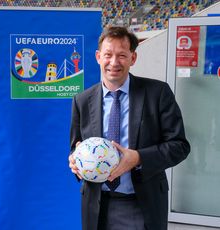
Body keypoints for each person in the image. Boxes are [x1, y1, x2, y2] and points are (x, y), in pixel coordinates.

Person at [68, 26, 190, 230]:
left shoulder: (157, 93)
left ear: (133, 58)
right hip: (96, 206)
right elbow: (76, 147)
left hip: (141, 204)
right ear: (98, 57)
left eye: (122, 55)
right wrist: (75, 163)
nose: (114, 62)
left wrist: (139, 158)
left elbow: (179, 146)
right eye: (108, 55)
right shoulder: (82, 100)